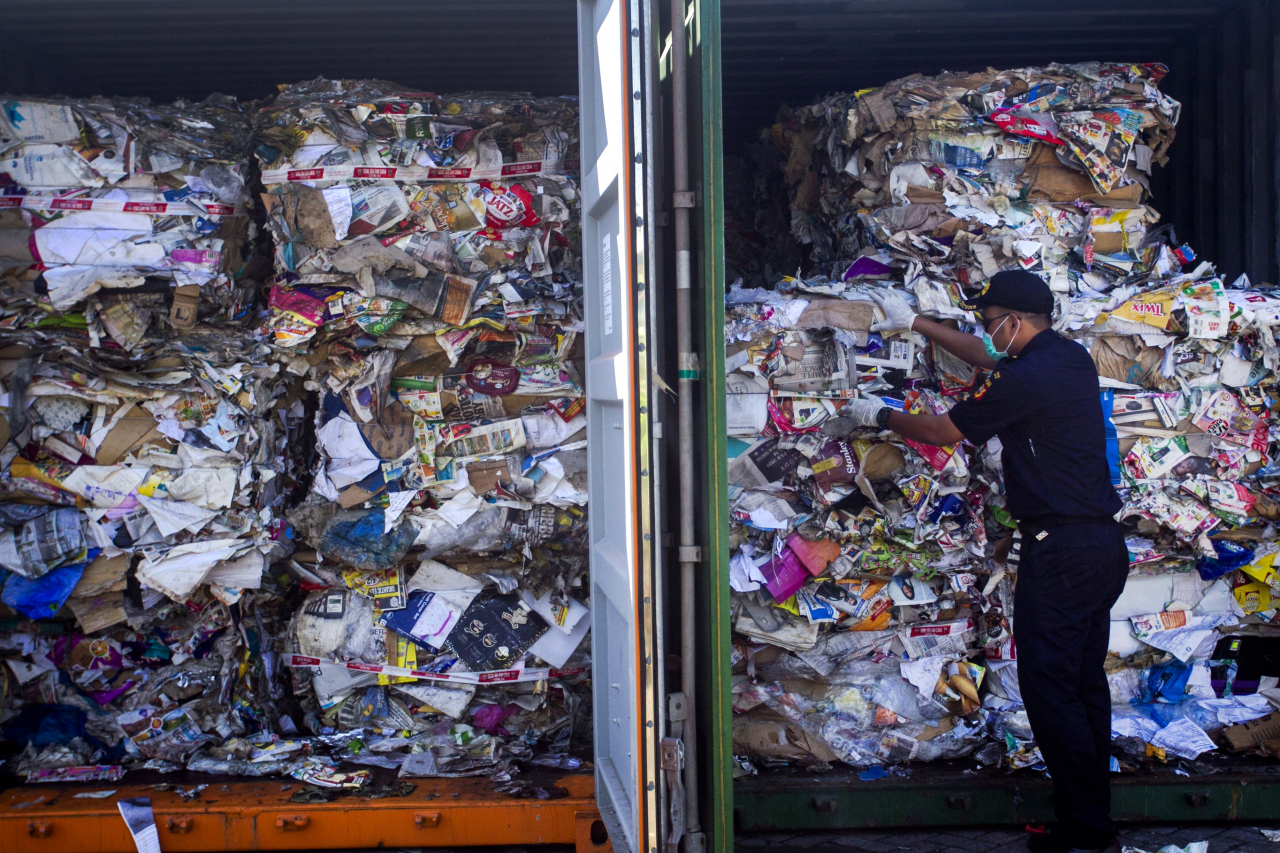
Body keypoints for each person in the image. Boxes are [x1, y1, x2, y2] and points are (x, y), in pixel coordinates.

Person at [847, 269, 1127, 853]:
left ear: (1015, 321)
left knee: (1049, 689)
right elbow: (989, 354)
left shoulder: (1025, 380)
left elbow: (943, 431)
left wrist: (876, 416)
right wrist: (916, 322)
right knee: (1081, 686)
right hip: (1101, 547)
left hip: (1063, 552)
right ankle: (1092, 823)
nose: (985, 332)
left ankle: (1086, 834)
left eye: (989, 320)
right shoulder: (1068, 358)